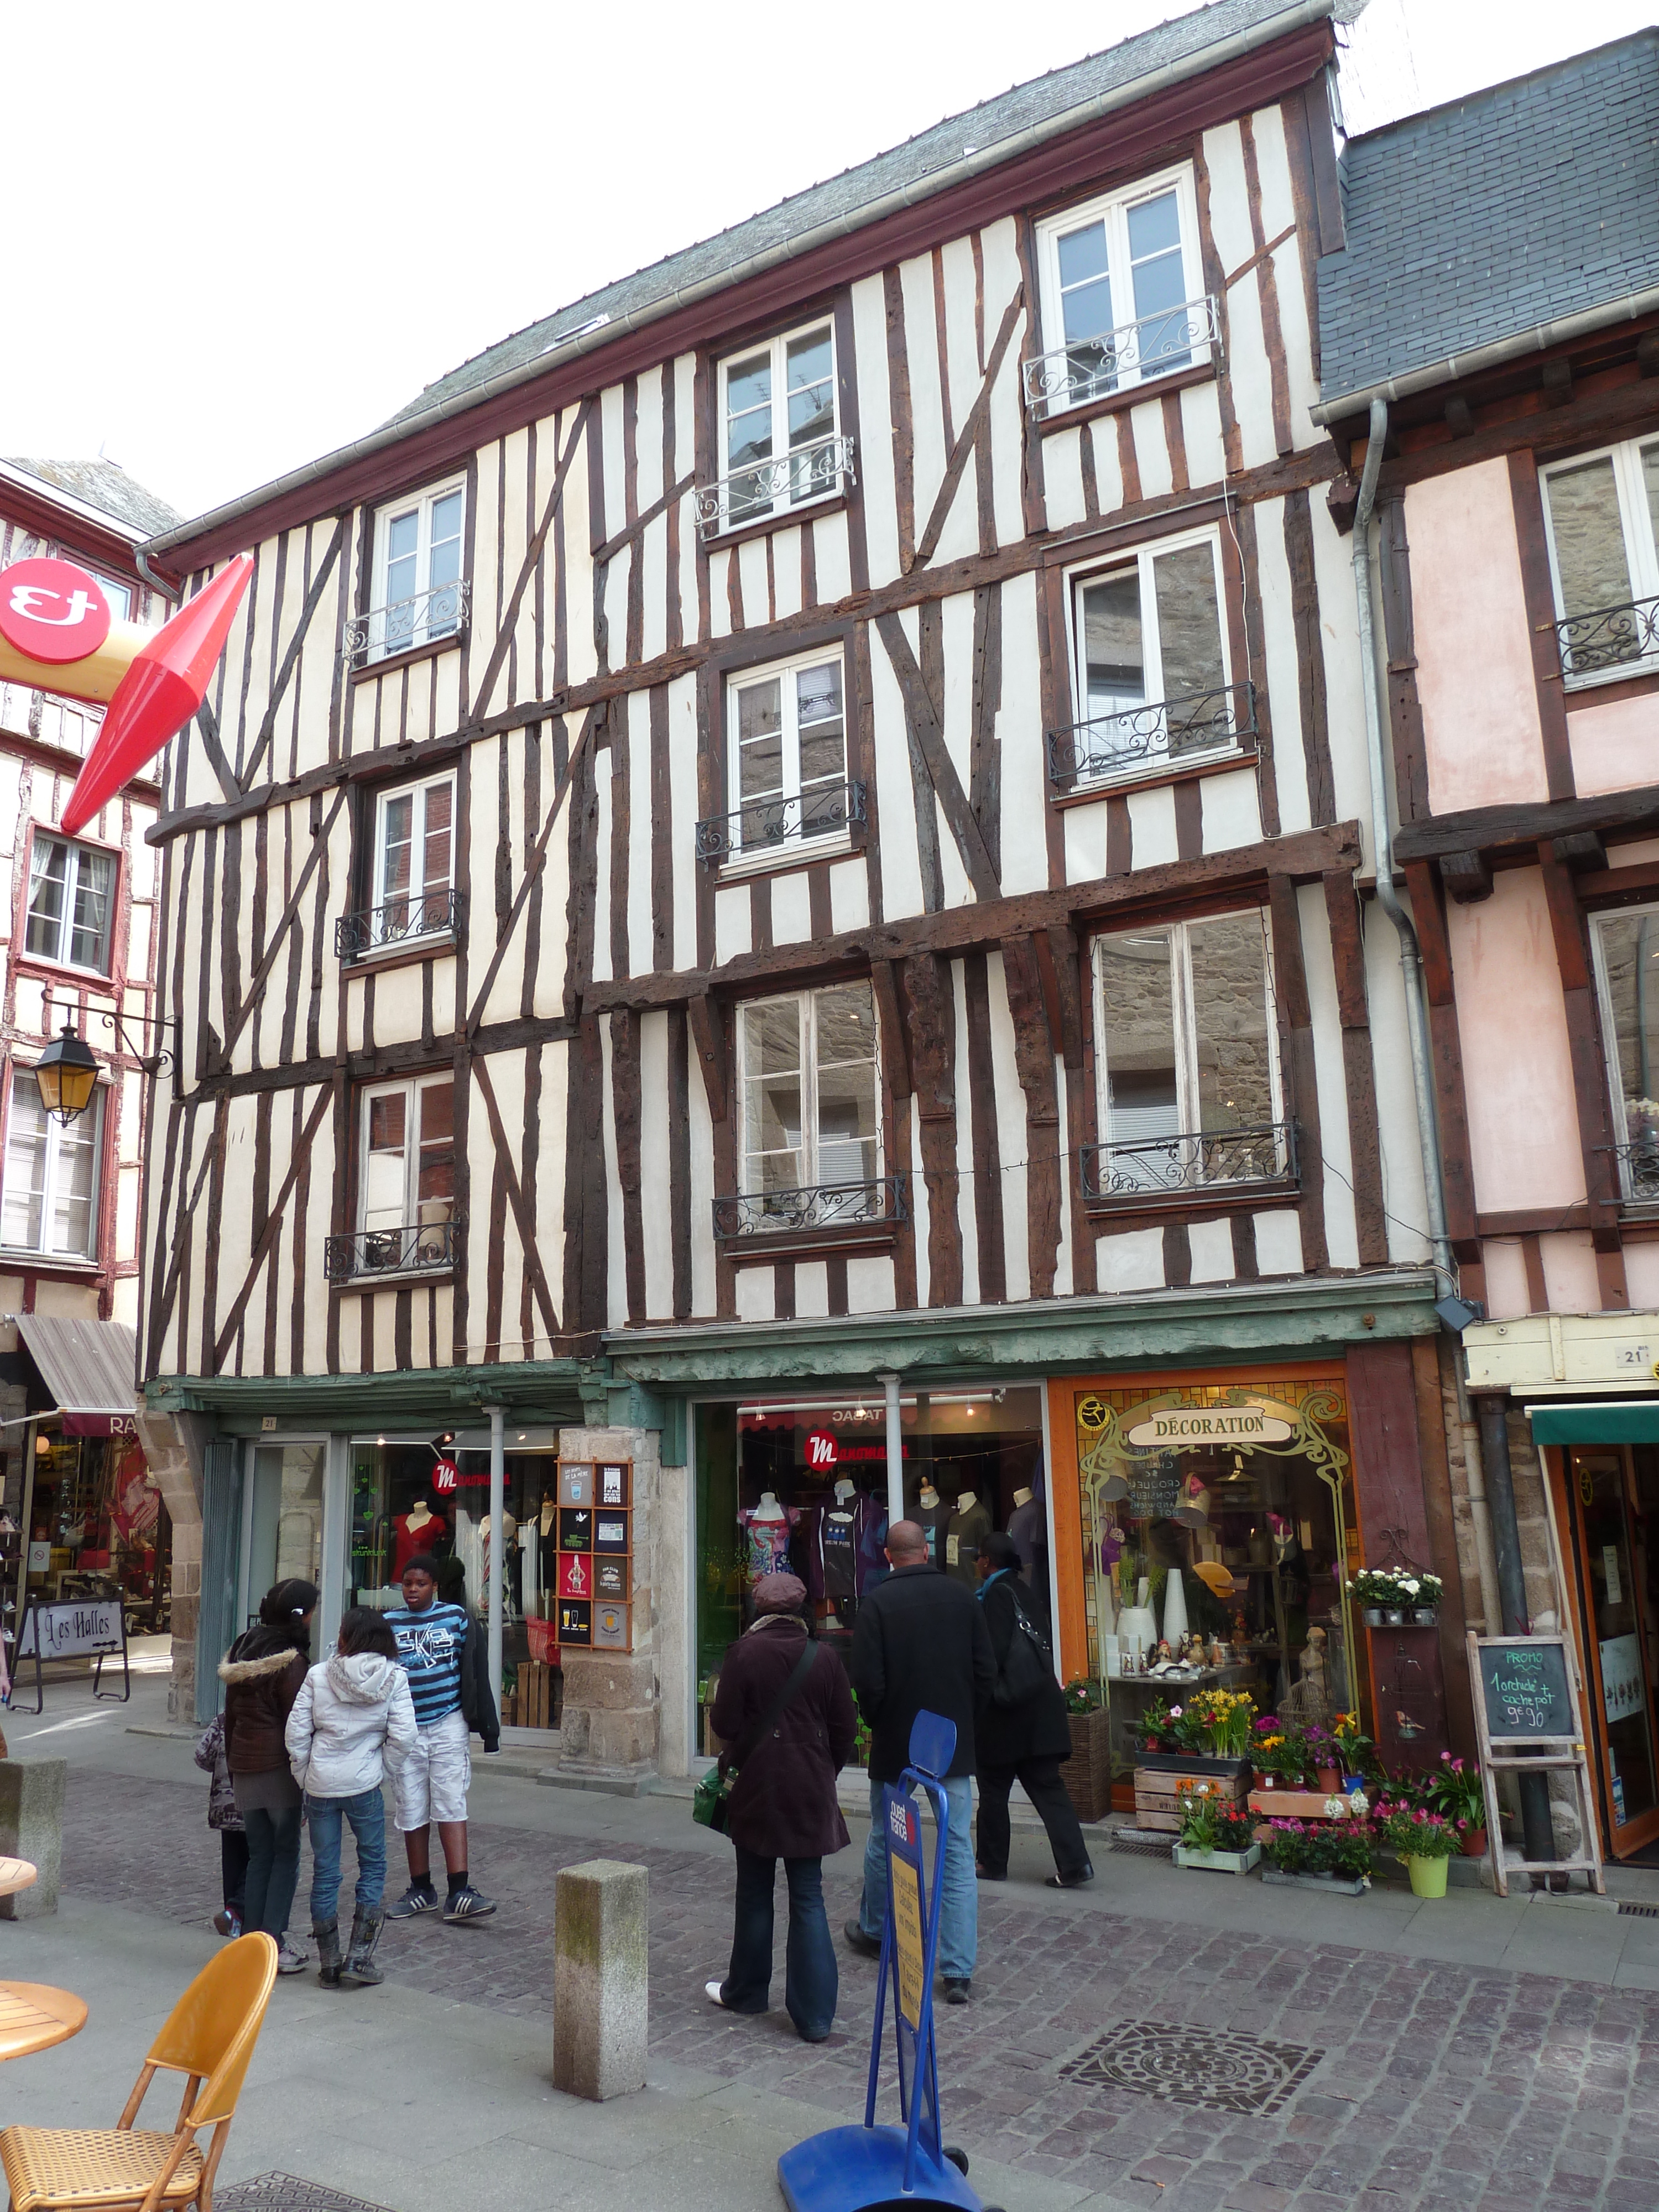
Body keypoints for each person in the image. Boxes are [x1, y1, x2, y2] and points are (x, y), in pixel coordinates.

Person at [846, 1519, 995, 2004]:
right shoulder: (962, 1597)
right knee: (955, 1849)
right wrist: (965, 1721)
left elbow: (868, 1681)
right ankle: (957, 1969)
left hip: (897, 1743)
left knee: (884, 1836)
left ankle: (875, 1927)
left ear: (889, 1555)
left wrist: (880, 1721)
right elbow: (985, 1671)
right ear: (925, 1550)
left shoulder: (878, 1604)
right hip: (950, 1742)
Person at [704, 1571, 857, 2043]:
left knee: (754, 1889)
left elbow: (726, 1723)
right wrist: (822, 1770)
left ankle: (748, 1991)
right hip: (809, 1784)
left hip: (757, 1785)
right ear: (799, 1610)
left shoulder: (744, 1653)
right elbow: (845, 1728)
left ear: (759, 1609)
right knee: (808, 1895)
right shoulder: (824, 1656)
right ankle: (814, 2016)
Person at [286, 1605, 419, 1989]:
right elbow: (405, 1736)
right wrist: (383, 1770)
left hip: (322, 1784)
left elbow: (296, 1735)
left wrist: (305, 1777)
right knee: (373, 1865)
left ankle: (329, 1963)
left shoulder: (318, 1675)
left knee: (326, 1871)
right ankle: (359, 1958)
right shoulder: (395, 1677)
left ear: (346, 1636)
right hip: (364, 1785)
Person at [383, 1553, 499, 1922]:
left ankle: (460, 1890)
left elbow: (475, 1671)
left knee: (450, 1801)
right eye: (407, 1584)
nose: (413, 1591)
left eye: (420, 1584)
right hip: (406, 1728)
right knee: (411, 1806)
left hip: (448, 1721)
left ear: (435, 1586)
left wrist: (485, 1726)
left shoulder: (456, 1619)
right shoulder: (387, 1624)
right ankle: (421, 1888)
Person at [974, 1533, 1094, 1890]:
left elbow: (992, 1657)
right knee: (1049, 1789)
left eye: (979, 1558)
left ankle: (992, 1863)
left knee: (994, 1788)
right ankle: (1076, 1864)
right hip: (1041, 1710)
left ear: (988, 1562)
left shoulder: (996, 1595)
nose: (977, 1564)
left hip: (1010, 1714)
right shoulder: (1022, 1591)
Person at [219, 1577, 319, 1975]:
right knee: (286, 1854)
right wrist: (307, 1777)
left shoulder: (243, 1648)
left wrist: (232, 1762)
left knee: (259, 1856)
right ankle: (274, 1942)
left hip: (243, 1763)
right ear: (301, 1615)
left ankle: (252, 1944)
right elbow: (298, 1723)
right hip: (279, 1769)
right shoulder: (291, 1662)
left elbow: (231, 1716)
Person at [192, 1709, 246, 1938]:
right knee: (260, 1861)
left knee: (233, 1863)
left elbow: (202, 1754)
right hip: (258, 1804)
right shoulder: (273, 1712)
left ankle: (233, 1919)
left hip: (226, 1804)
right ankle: (237, 1911)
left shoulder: (226, 1717)